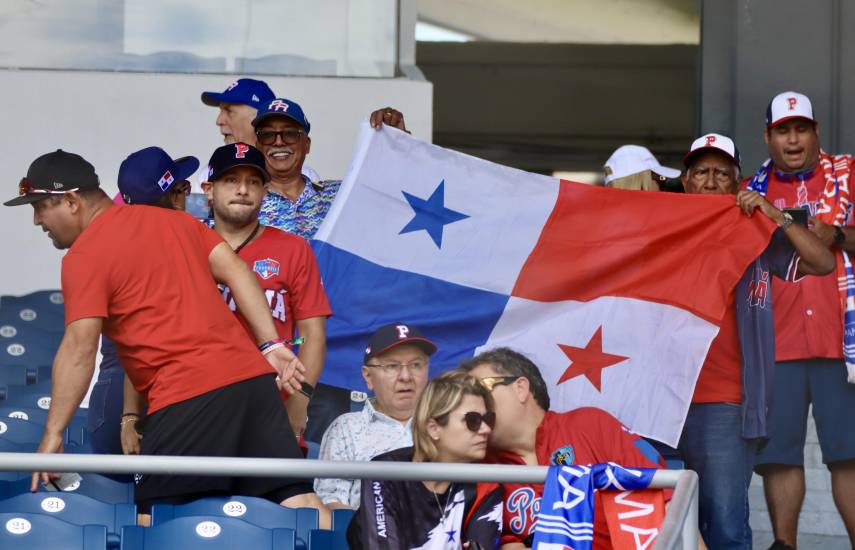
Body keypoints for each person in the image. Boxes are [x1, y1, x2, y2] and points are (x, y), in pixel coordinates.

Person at [5, 150, 327, 522]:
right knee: (299, 503)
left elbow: (80, 349)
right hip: (252, 383)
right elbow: (239, 271)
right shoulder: (175, 222)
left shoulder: (84, 256)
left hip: (186, 394)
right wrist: (270, 345)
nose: (36, 220)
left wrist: (53, 435)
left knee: (153, 522)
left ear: (72, 201)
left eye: (41, 206)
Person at [679, 133, 834, 549]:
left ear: (738, 182)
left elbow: (823, 261)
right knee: (660, 522)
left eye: (721, 174)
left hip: (725, 404)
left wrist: (774, 213)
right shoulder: (663, 228)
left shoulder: (755, 230)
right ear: (685, 180)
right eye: (701, 173)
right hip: (660, 399)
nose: (710, 182)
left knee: (725, 528)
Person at [746, 92, 855, 550]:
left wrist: (841, 235)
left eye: (802, 129)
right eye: (783, 131)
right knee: (779, 456)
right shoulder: (750, 192)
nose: (793, 139)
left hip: (842, 343)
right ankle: (785, 547)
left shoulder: (849, 175)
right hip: (778, 342)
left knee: (850, 455)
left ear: (816, 132)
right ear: (768, 137)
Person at [460, 347, 667, 549]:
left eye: (480, 390)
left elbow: (671, 504)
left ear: (520, 388)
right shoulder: (479, 466)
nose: (473, 404)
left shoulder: (589, 425)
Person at [201, 142, 332, 439]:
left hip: (274, 404)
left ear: (265, 190)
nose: (243, 190)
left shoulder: (294, 249)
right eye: (231, 180)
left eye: (253, 182)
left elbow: (313, 335)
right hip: (201, 403)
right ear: (209, 189)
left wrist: (300, 401)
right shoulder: (186, 246)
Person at [88, 147, 200, 458]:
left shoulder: (112, 240)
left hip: (122, 387)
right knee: (148, 503)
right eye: (181, 190)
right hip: (140, 387)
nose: (186, 199)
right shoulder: (169, 247)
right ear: (168, 199)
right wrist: (130, 417)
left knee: (119, 504)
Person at [347, 369, 503, 549]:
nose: (486, 429)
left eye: (488, 419)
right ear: (433, 428)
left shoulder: (487, 483)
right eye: (473, 420)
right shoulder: (385, 472)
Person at [315, 323, 434, 509]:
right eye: (392, 366)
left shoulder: (446, 426)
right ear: (368, 377)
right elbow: (331, 503)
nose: (405, 376)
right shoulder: (347, 428)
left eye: (416, 365)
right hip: (365, 535)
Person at [252, 97, 409, 239]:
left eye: (290, 133)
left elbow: (391, 198)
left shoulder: (340, 195)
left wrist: (397, 143)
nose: (278, 142)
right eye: (267, 135)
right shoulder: (244, 200)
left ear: (307, 145)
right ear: (257, 146)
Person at [603, 144, 680, 191]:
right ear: (641, 184)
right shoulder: (660, 216)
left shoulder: (598, 216)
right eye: (659, 181)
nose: (662, 189)